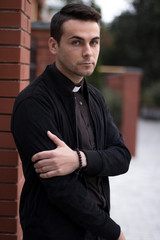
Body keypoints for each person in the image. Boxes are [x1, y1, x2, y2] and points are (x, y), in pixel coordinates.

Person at [11, 3, 131, 240]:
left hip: (93, 230)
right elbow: (61, 188)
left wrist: (79, 159)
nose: (88, 51)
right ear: (54, 45)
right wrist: (113, 232)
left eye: (94, 42)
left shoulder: (95, 97)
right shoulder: (33, 103)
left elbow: (122, 157)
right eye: (77, 42)